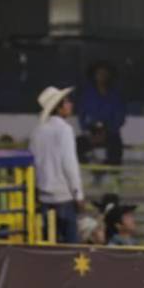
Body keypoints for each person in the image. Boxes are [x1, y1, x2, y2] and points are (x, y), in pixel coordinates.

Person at [31, 86, 84, 243]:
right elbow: (69, 164)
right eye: (67, 102)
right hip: (64, 197)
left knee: (49, 245)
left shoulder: (37, 131)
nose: (70, 105)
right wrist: (78, 195)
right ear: (58, 107)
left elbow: (34, 163)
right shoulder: (64, 130)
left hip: (44, 198)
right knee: (71, 247)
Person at [78, 61, 125, 166]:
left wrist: (107, 131)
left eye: (104, 74)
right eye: (99, 74)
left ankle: (112, 175)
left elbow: (119, 116)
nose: (102, 77)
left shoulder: (115, 95)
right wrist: (89, 131)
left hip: (110, 133)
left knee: (116, 149)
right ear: (94, 76)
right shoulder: (87, 94)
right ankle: (91, 165)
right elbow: (82, 115)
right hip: (91, 131)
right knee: (75, 145)